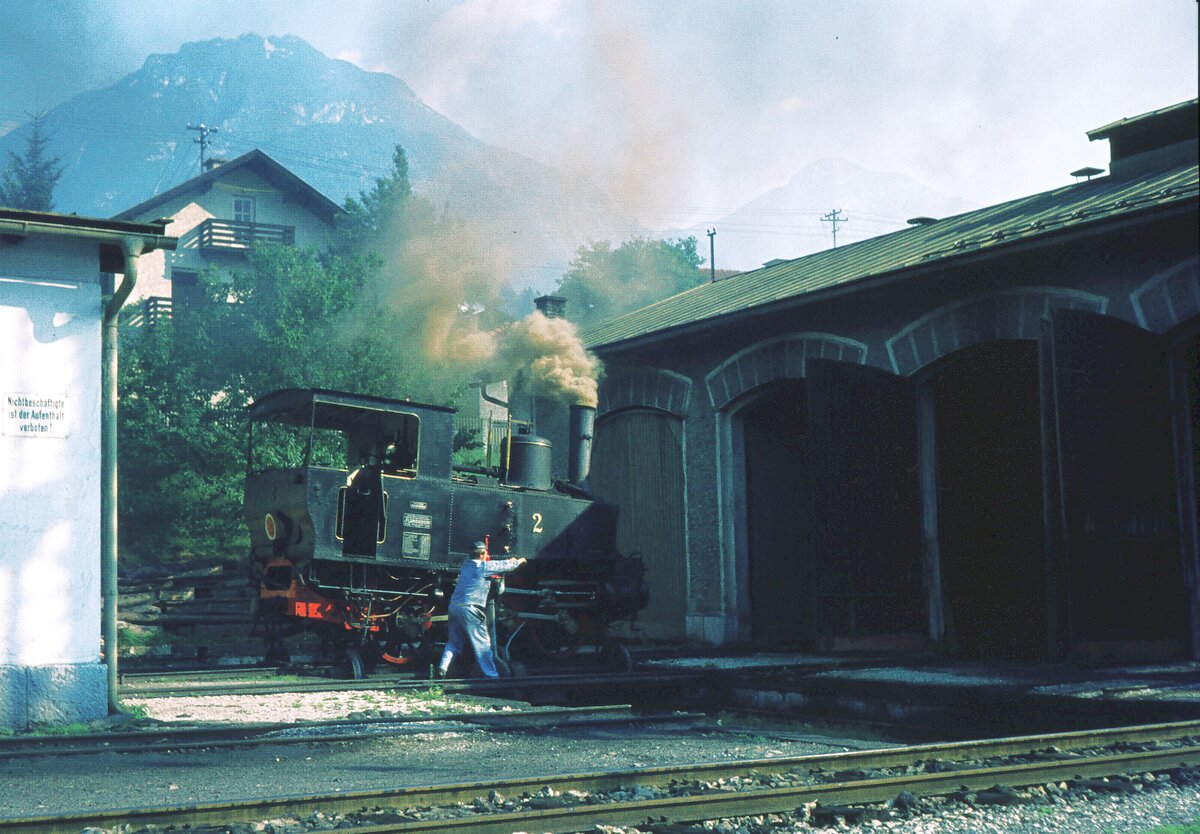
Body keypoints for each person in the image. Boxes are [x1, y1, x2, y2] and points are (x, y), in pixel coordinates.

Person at [437, 542, 526, 678]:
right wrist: (518, 561)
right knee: (483, 645)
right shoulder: (482, 567)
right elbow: (504, 566)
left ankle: (443, 667)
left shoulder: (466, 564)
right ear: (483, 554)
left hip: (454, 606)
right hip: (470, 609)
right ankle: (492, 675)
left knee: (454, 643)